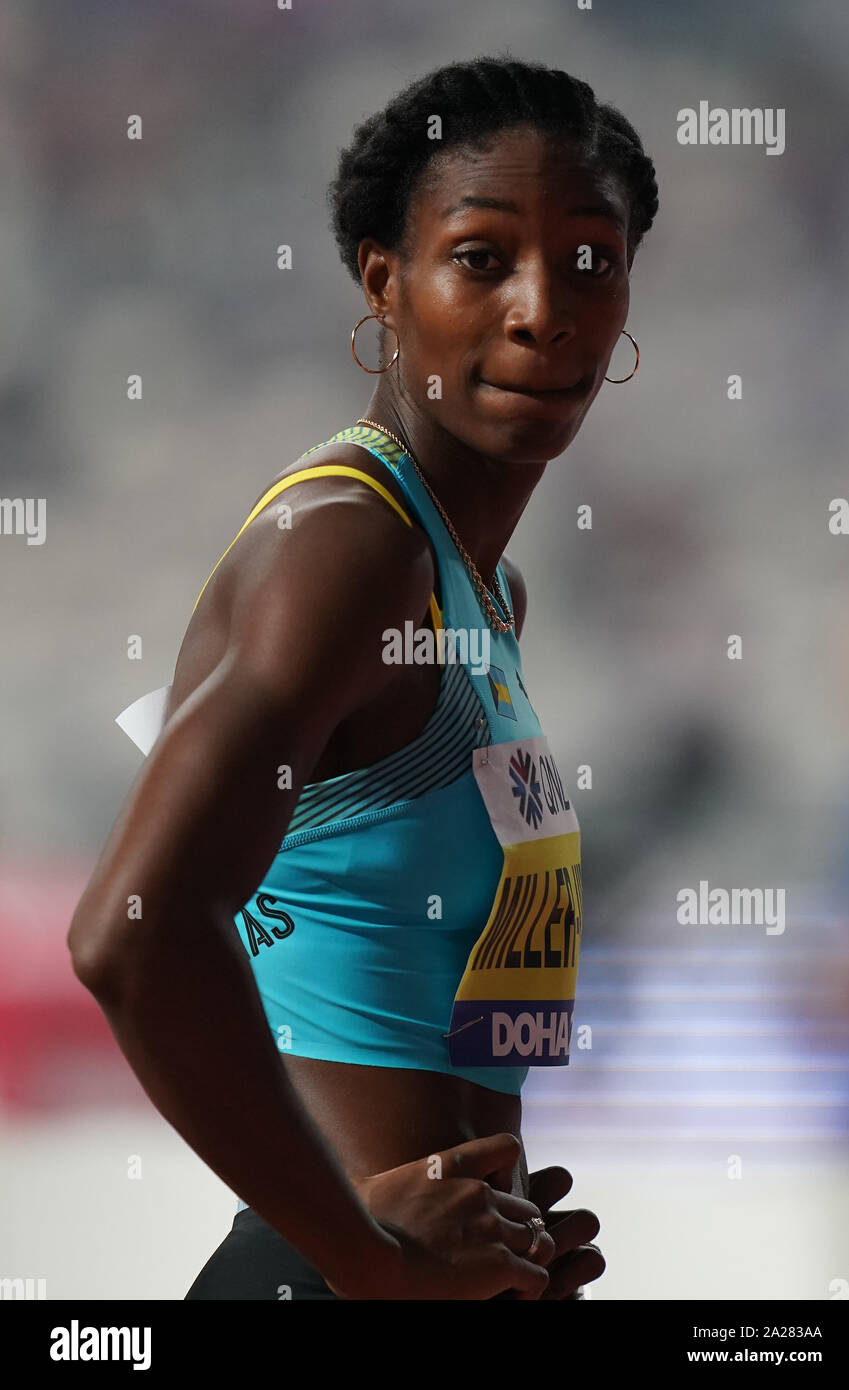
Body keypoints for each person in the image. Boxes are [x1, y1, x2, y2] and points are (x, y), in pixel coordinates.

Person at [67, 55, 658, 1300]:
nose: (542, 308)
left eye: (589, 260)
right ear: (384, 283)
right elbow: (132, 933)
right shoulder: (349, 548)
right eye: (482, 257)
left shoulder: (484, 598)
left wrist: (501, 1215)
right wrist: (366, 1255)